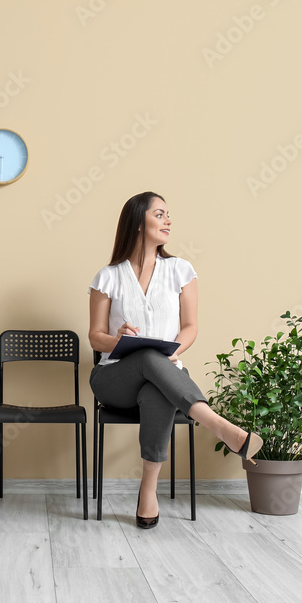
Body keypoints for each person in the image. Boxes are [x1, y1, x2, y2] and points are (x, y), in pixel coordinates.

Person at [88, 191, 262, 528]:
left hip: (165, 375)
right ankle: (218, 425)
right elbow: (95, 336)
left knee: (158, 385)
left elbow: (190, 327)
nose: (168, 221)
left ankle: (148, 491)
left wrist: (172, 354)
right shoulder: (108, 276)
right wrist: (118, 339)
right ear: (138, 223)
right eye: (160, 214)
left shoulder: (180, 270)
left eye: (168, 215)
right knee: (150, 357)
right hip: (113, 378)